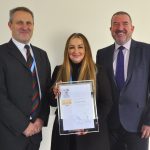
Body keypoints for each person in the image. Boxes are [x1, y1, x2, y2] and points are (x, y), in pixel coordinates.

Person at [96, 11, 150, 150]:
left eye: (125, 23)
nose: (120, 28)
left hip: (138, 125)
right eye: (115, 24)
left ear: (132, 28)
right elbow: (99, 89)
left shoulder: (147, 51)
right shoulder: (102, 54)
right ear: (110, 29)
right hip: (110, 125)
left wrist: (149, 121)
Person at [50, 33, 112, 150]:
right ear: (67, 50)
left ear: (86, 49)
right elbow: (52, 103)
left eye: (80, 47)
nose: (76, 51)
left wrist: (90, 123)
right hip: (64, 138)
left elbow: (107, 103)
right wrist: (54, 93)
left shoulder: (98, 71)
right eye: (71, 47)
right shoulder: (59, 70)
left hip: (91, 137)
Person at [0, 7, 51, 150]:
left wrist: (41, 119)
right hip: (9, 136)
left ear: (33, 26)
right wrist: (23, 125)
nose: (25, 27)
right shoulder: (1, 54)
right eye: (19, 22)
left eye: (29, 23)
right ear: (10, 25)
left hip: (35, 135)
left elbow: (46, 92)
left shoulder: (42, 55)